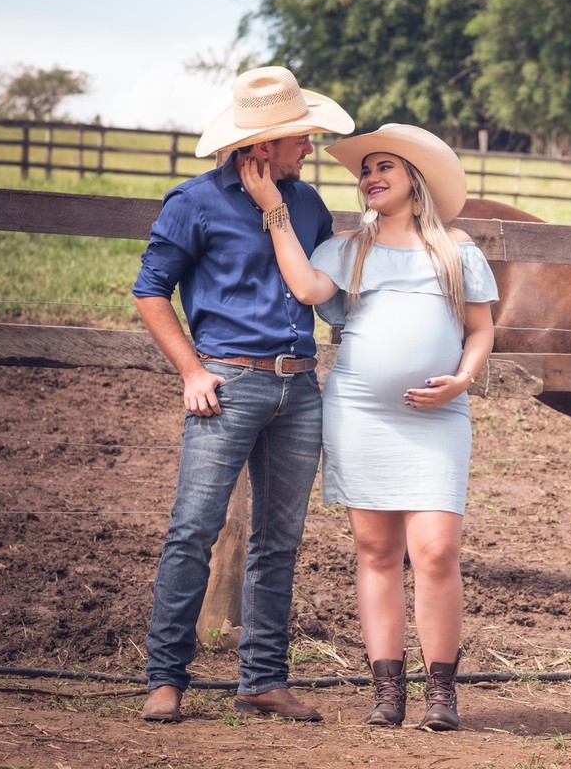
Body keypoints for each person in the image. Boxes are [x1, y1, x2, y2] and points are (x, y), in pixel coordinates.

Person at [240, 123, 497, 731]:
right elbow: (306, 289)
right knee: (377, 551)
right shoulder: (349, 248)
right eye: (365, 170)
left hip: (438, 417)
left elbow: (481, 329)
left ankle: (441, 695)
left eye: (385, 167)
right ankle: (387, 693)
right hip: (360, 414)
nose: (371, 177)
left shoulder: (455, 249)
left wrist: (462, 380)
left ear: (415, 179)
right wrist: (275, 210)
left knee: (437, 550)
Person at [132, 66, 354, 723]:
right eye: (300, 138)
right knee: (193, 530)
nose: (309, 147)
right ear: (262, 145)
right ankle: (166, 679)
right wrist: (191, 372)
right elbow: (150, 290)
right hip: (227, 384)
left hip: (300, 388)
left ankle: (263, 679)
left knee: (279, 540)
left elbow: (324, 288)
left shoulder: (307, 204)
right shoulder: (194, 202)